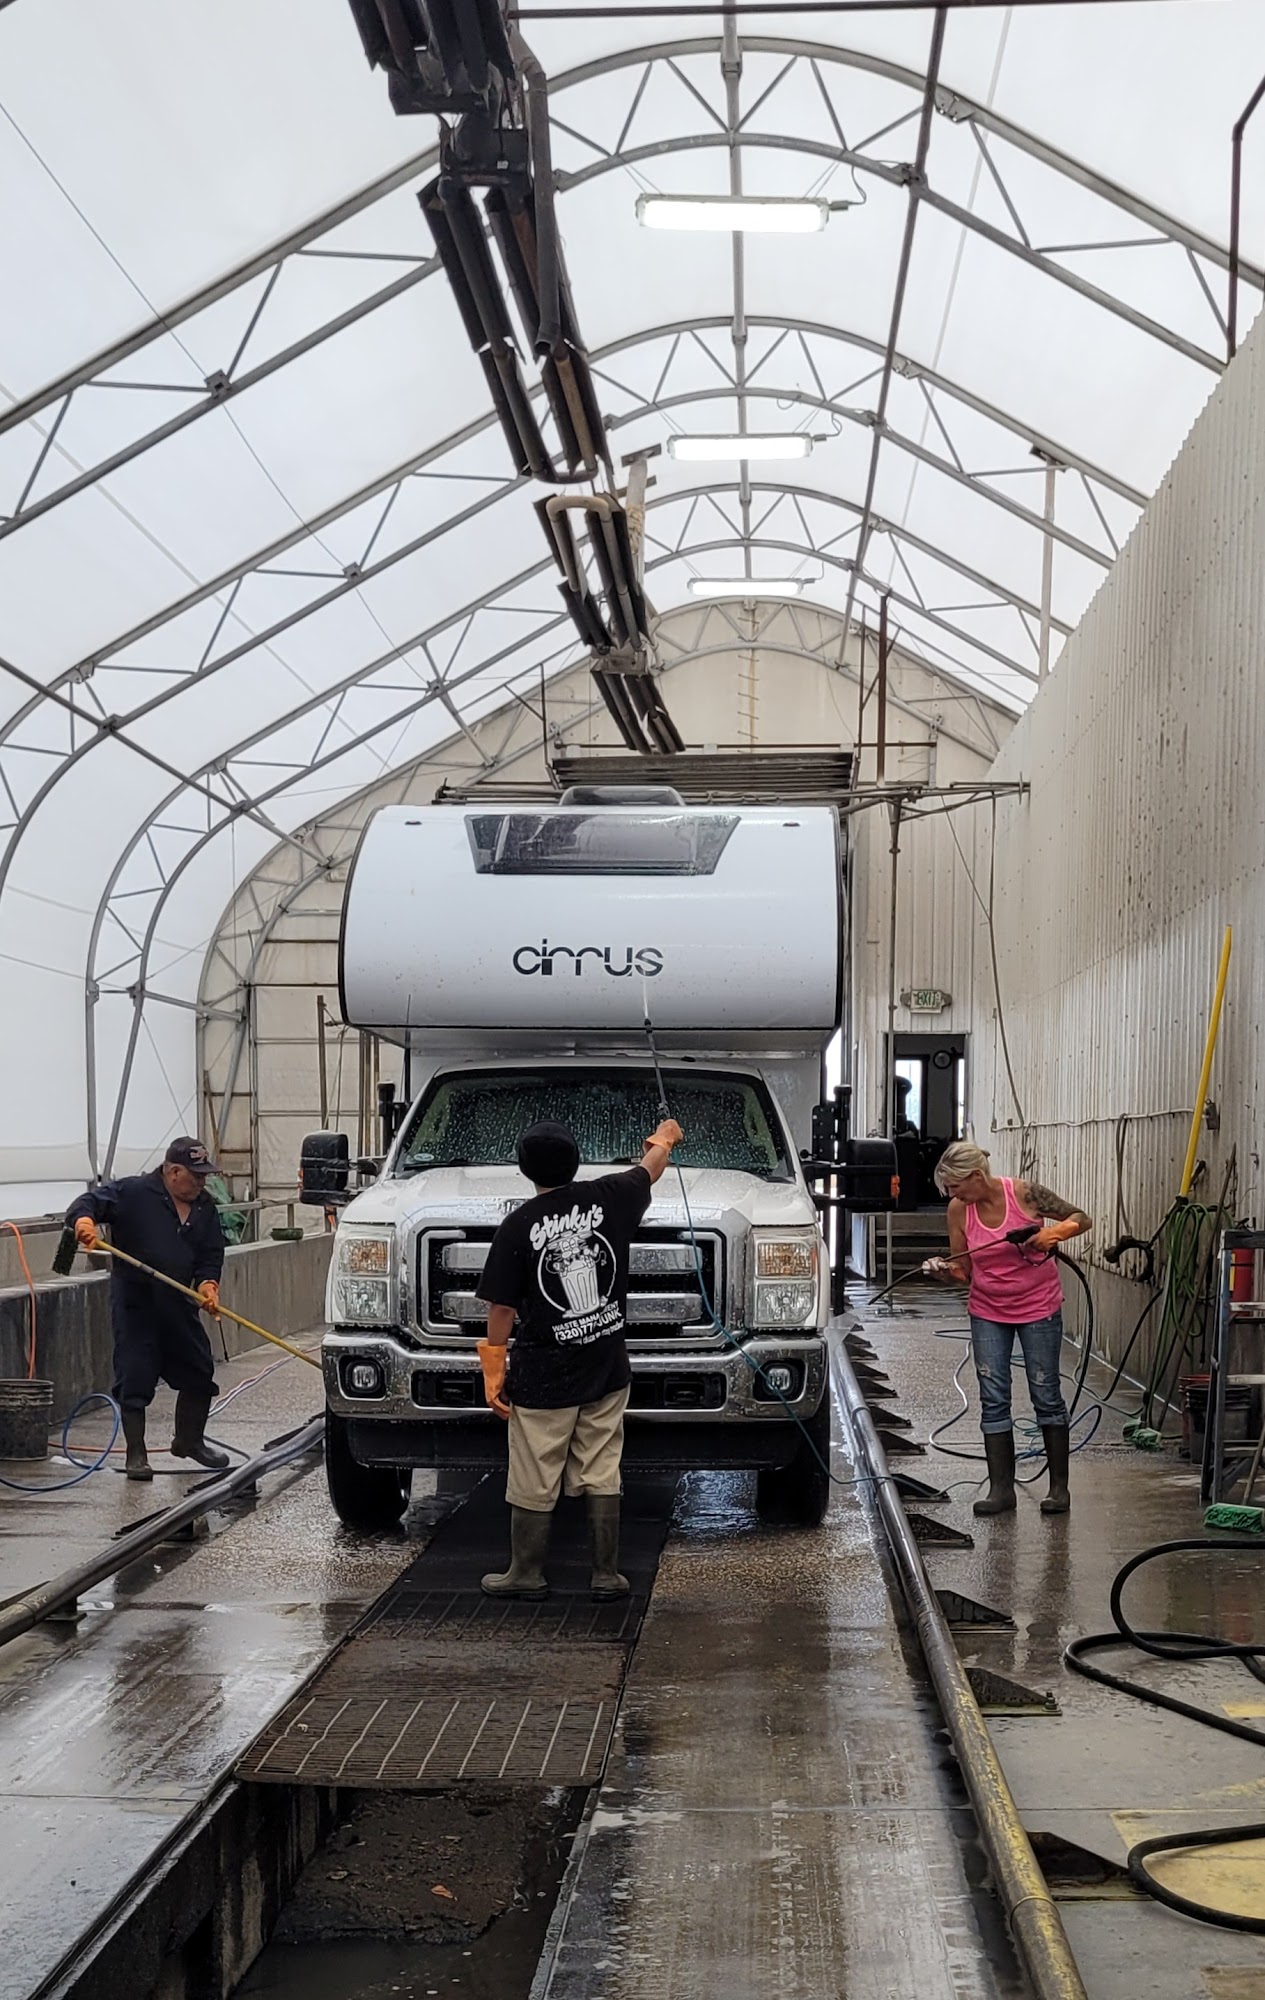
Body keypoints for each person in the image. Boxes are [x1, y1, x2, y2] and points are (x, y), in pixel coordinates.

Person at [474, 1113, 684, 1600]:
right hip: (606, 1366)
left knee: (535, 1468)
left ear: (524, 1168)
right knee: (601, 1465)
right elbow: (650, 1167)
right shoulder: (610, 1195)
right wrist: (664, 1136)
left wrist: (493, 1368)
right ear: (576, 1161)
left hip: (543, 1376)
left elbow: (502, 1307)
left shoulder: (517, 1226)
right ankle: (606, 1574)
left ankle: (526, 1574)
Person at [922, 1141, 1091, 1518]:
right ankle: (1001, 1490)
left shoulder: (1025, 1195)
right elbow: (963, 1271)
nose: (951, 1195)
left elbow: (1082, 1217)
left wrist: (1054, 1234)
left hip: (1038, 1307)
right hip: (988, 1310)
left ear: (976, 1177)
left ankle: (1059, 1489)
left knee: (1045, 1392)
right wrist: (943, 1271)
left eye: (954, 1186)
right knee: (993, 1396)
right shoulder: (959, 1210)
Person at [66, 1137, 229, 1482]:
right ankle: (136, 1454)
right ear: (173, 1172)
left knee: (199, 1370)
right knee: (135, 1375)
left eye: (204, 1176)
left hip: (178, 1302)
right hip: (136, 1302)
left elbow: (211, 1254)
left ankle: (189, 1440)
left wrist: (207, 1285)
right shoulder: (134, 1193)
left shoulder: (205, 1208)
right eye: (196, 1176)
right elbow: (87, 1202)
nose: (202, 1183)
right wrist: (84, 1223)